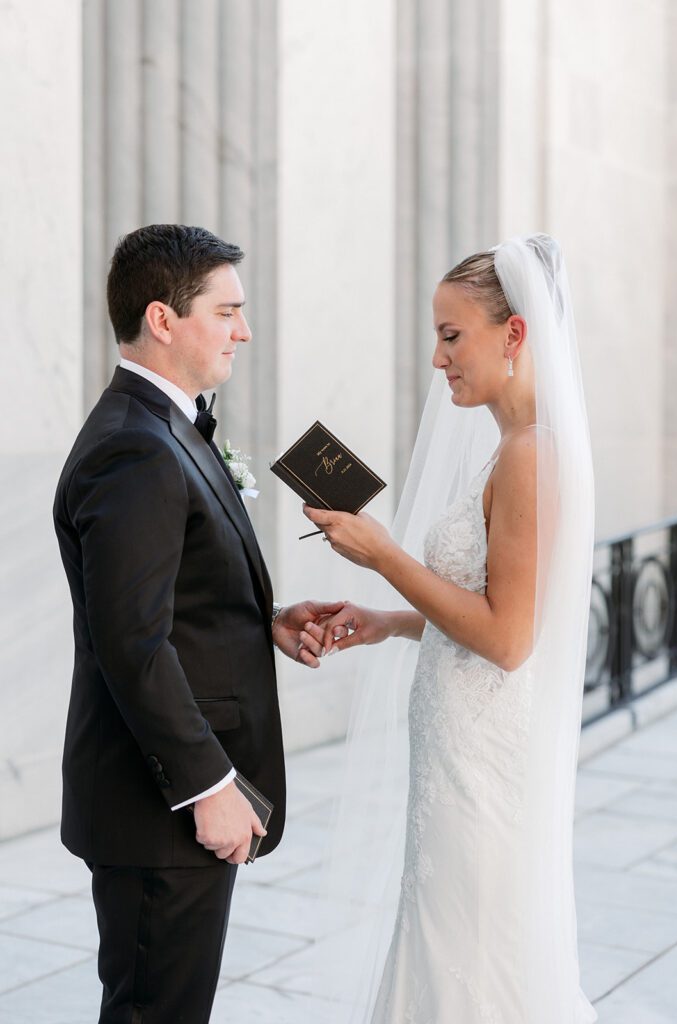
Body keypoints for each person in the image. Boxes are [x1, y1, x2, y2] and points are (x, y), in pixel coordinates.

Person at [303, 234, 598, 1022]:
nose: (438, 360)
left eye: (449, 335)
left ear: (514, 334)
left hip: (483, 763)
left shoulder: (530, 454)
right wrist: (386, 620)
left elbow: (507, 639)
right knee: (446, 940)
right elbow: (489, 602)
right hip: (459, 748)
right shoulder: (513, 446)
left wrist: (383, 556)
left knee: (470, 951)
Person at [53, 224, 336, 1024]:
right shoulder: (134, 448)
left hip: (171, 800)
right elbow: (131, 642)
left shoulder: (170, 423)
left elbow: (164, 604)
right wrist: (208, 786)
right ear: (163, 318)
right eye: (227, 312)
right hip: (160, 807)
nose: (243, 331)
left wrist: (262, 621)